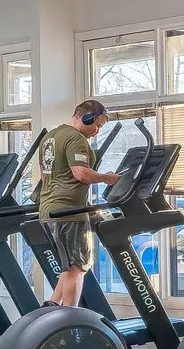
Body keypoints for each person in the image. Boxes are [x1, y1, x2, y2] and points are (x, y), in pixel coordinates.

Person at [40, 99, 123, 309]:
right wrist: (106, 178)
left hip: (50, 209)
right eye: (97, 125)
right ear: (86, 118)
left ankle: (53, 304)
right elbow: (81, 173)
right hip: (69, 212)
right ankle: (70, 316)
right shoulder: (76, 138)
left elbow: (46, 177)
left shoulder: (51, 137)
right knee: (78, 267)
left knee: (69, 265)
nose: (97, 131)